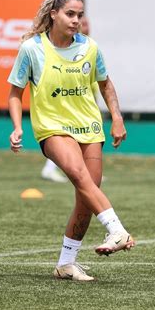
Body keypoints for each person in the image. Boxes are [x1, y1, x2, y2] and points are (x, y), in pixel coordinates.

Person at [8, 0, 135, 281]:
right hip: (52, 128)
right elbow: (15, 92)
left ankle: (66, 262)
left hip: (90, 126)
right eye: (70, 14)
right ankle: (116, 229)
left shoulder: (90, 47)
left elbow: (105, 83)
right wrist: (16, 127)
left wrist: (117, 117)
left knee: (87, 195)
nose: (76, 20)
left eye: (80, 14)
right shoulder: (32, 49)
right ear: (54, 14)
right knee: (78, 175)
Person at [39, 16, 91, 184]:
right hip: (69, 101)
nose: (83, 24)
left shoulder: (89, 46)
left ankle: (87, 172)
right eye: (83, 22)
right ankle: (51, 169)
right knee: (68, 137)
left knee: (83, 136)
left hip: (85, 98)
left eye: (84, 21)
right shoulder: (60, 46)